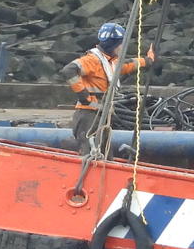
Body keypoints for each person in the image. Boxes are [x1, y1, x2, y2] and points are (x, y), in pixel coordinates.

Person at [60, 20, 155, 154]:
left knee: (104, 153)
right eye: (121, 43)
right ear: (114, 45)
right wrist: (83, 95)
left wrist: (148, 60)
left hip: (101, 114)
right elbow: (68, 70)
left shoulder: (110, 61)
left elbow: (128, 64)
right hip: (88, 116)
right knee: (91, 154)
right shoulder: (92, 60)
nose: (123, 46)